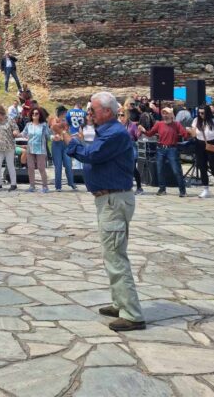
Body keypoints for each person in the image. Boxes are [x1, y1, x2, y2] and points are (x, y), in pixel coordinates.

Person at [62, 91, 146, 332]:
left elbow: (91, 155)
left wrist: (68, 138)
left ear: (107, 111)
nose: (89, 113)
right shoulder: (108, 132)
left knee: (116, 255)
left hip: (113, 200)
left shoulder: (115, 134)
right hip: (108, 199)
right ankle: (120, 302)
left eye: (93, 109)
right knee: (111, 253)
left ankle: (132, 314)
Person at [140, 107, 187, 197]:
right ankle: (162, 189)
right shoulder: (159, 124)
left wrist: (187, 132)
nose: (165, 115)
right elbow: (150, 133)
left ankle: (182, 190)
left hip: (172, 149)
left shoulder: (176, 124)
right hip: (160, 149)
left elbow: (184, 134)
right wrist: (144, 131)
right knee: (160, 170)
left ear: (171, 115)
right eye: (163, 113)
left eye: (167, 113)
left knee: (176, 170)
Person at [188, 105, 214, 200]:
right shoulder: (196, 120)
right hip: (199, 144)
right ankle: (205, 189)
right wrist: (189, 130)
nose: (201, 115)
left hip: (211, 144)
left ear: (208, 113)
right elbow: (194, 135)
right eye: (199, 113)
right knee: (202, 167)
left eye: (203, 113)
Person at [21, 108, 50, 193]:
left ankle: (45, 187)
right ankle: (32, 186)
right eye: (33, 113)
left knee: (41, 168)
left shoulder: (44, 125)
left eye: (36, 113)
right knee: (30, 168)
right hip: (30, 148)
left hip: (40, 149)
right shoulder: (28, 125)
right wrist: (14, 133)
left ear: (40, 115)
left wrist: (54, 137)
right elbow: (23, 133)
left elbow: (48, 136)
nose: (34, 115)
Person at [0, 104, 19, 191]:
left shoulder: (10, 120)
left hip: (9, 146)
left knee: (10, 165)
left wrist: (15, 132)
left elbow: (16, 129)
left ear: (1, 112)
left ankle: (13, 184)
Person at [49, 106, 75, 192]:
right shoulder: (53, 119)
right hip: (56, 144)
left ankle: (71, 182)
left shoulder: (66, 120)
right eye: (65, 113)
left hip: (65, 143)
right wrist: (61, 125)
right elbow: (53, 126)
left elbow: (67, 128)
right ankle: (58, 186)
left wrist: (62, 125)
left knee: (68, 164)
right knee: (58, 166)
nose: (66, 114)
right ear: (62, 113)